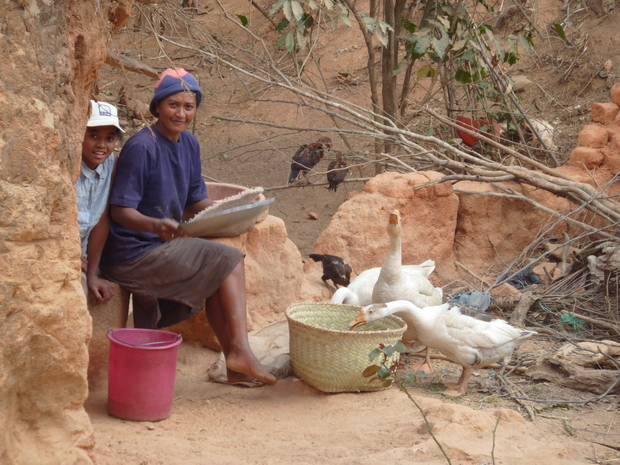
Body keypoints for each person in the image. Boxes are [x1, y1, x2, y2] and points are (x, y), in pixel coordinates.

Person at [100, 68, 276, 386]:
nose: (181, 113)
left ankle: (235, 362)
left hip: (160, 244)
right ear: (157, 107)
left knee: (218, 272)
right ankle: (241, 353)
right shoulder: (141, 147)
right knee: (229, 261)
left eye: (188, 106)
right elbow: (120, 210)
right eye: (173, 105)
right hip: (132, 251)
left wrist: (235, 210)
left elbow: (196, 200)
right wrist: (155, 225)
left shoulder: (189, 145)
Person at [77, 100, 123, 303]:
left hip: (84, 256)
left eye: (110, 138)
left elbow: (102, 221)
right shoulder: (67, 164)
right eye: (93, 135)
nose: (102, 145)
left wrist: (93, 273)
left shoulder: (111, 165)